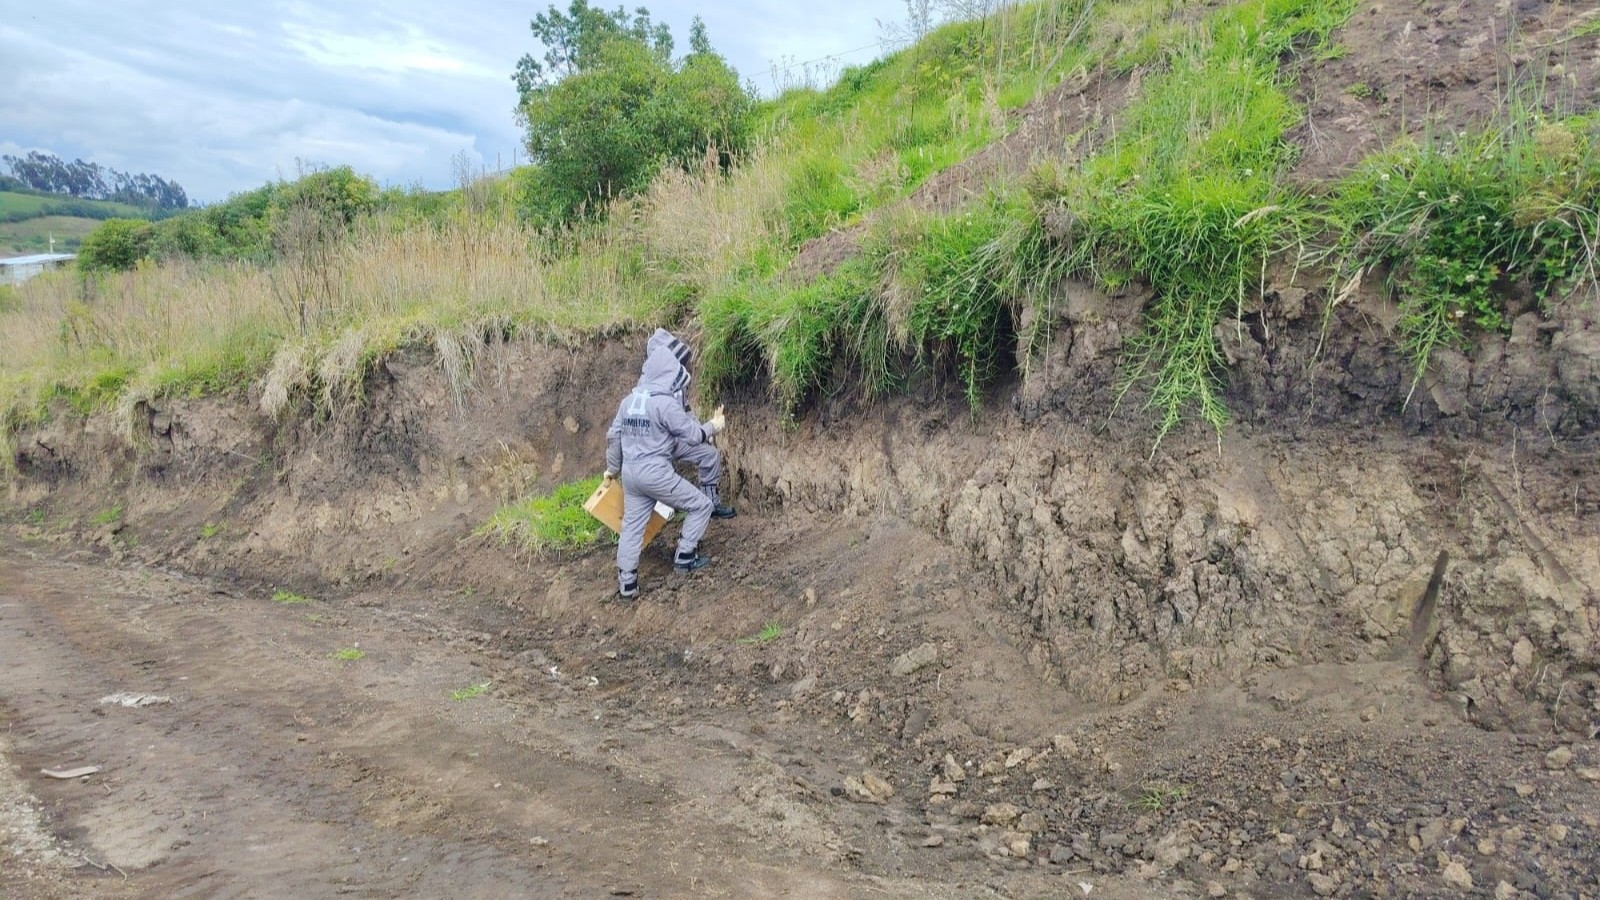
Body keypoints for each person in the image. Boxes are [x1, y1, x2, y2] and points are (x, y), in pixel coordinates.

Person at [604, 339, 727, 599]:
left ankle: (627, 584)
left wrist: (612, 469)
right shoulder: (664, 403)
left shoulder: (628, 401)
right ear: (667, 373)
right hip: (656, 473)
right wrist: (714, 425)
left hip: (631, 475)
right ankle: (685, 554)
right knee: (701, 505)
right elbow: (693, 435)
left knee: (631, 528)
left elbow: (614, 437)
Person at [644, 328, 735, 519]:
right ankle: (658, 507)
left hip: (677, 439)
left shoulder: (679, 380)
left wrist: (702, 432)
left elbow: (686, 411)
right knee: (658, 472)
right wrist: (708, 428)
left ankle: (711, 505)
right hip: (656, 445)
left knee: (709, 454)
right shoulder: (647, 385)